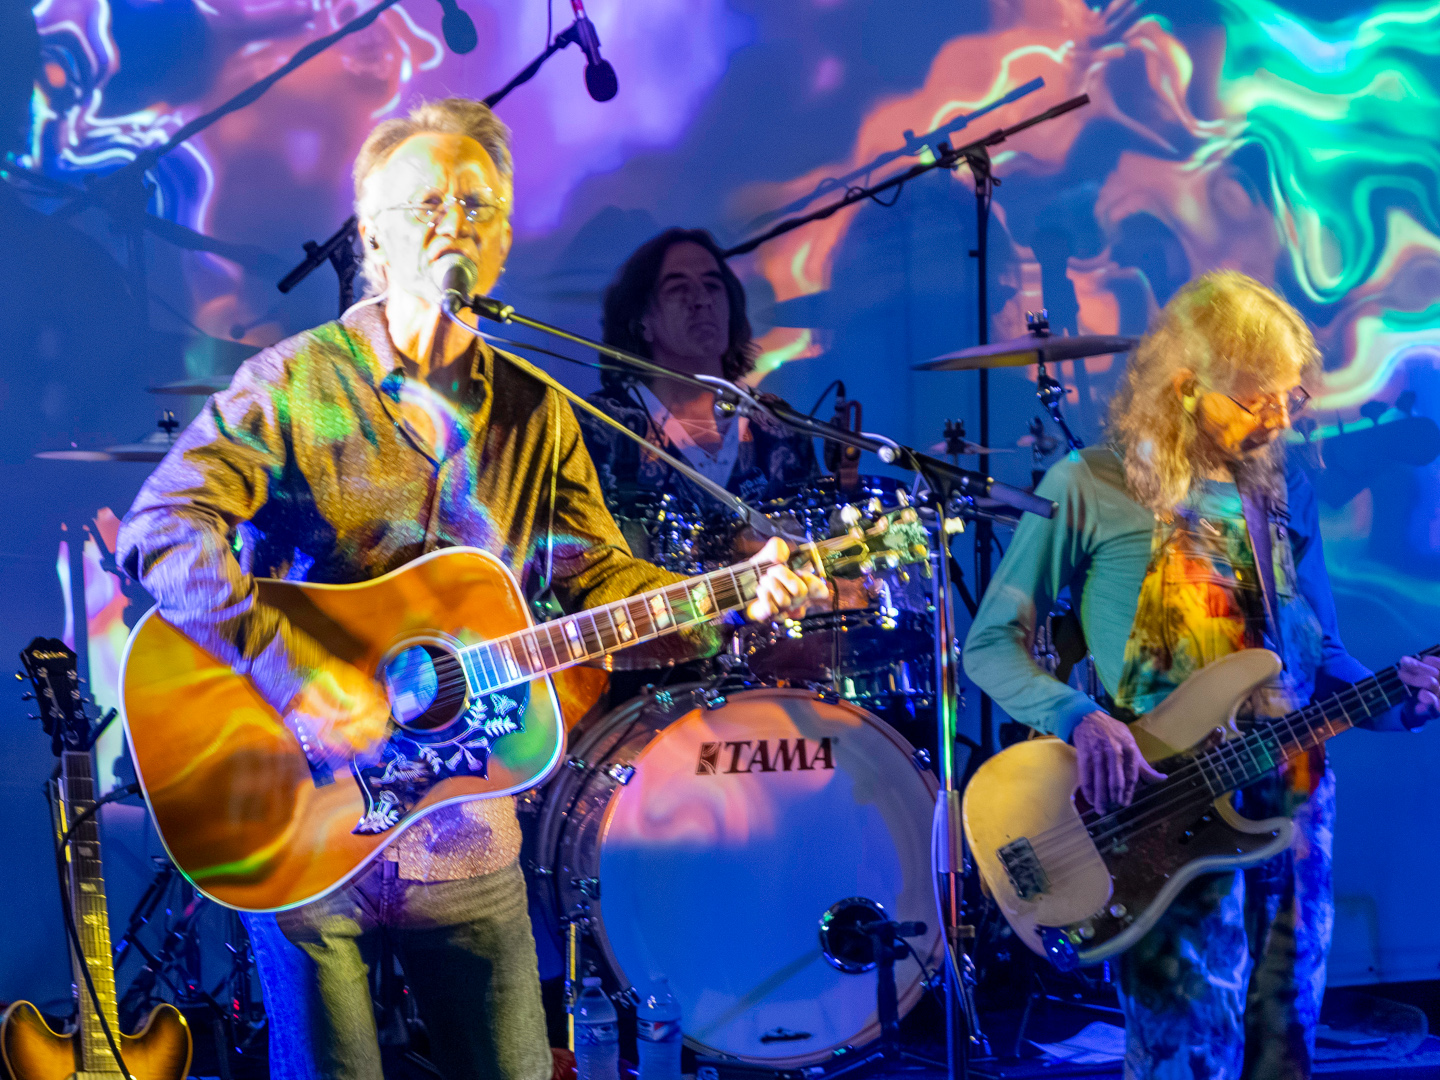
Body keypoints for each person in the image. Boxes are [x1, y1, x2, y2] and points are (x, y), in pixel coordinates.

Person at [116, 98, 824, 1080]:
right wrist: (297, 671)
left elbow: (595, 575)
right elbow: (160, 530)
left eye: (478, 206)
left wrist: (725, 596)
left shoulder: (538, 410)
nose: (455, 222)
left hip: (466, 824)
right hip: (300, 815)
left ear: (501, 243)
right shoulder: (295, 382)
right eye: (428, 203)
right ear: (372, 235)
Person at [962, 270, 1440, 1080]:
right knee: (1186, 1054)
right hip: (1163, 808)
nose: (1279, 419)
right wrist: (1081, 717)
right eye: (1257, 401)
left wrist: (1402, 701)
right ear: (1187, 388)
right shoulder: (1092, 481)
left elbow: (1317, 653)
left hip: (1295, 797)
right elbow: (988, 645)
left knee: (1283, 1046)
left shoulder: (1286, 489)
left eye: (1290, 399)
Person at [580, 227, 819, 540]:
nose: (702, 300)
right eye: (678, 288)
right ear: (642, 320)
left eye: (712, 285)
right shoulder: (601, 425)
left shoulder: (778, 424)